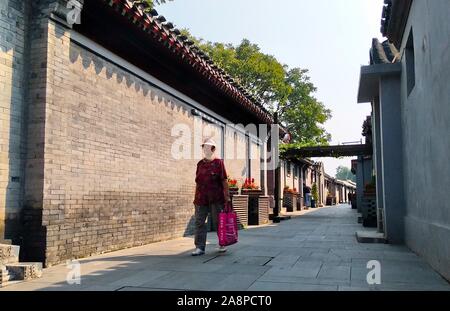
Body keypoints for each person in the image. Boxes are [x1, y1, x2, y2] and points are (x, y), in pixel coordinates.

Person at [192, 138, 231, 256]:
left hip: (216, 197)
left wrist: (227, 196)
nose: (205, 149)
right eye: (203, 147)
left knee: (218, 221)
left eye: (207, 147)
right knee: (199, 222)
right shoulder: (200, 164)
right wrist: (195, 198)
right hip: (201, 197)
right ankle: (200, 247)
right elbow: (198, 182)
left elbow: (224, 180)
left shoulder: (219, 163)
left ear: (213, 149)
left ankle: (222, 243)